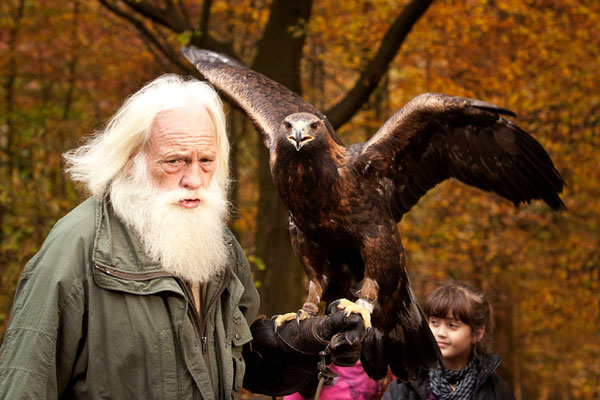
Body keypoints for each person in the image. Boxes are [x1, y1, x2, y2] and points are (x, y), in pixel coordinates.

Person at [0, 74, 366, 399]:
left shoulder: (214, 242)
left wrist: (305, 343)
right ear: (131, 159)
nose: (194, 179)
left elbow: (243, 365)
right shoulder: (76, 248)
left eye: (206, 161)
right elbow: (24, 382)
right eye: (175, 161)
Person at [383, 281, 514, 400]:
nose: (441, 333)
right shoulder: (405, 386)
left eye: (452, 325)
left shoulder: (497, 391)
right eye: (434, 323)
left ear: (477, 333)